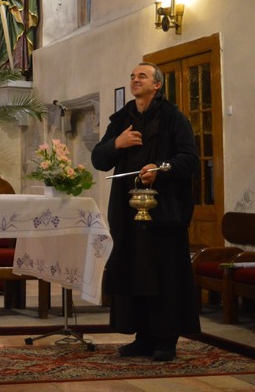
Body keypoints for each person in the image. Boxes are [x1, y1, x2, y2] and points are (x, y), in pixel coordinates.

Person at [91, 62, 200, 362]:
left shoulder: (174, 119)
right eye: (132, 76)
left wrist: (160, 170)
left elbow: (189, 160)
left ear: (157, 85)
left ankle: (166, 340)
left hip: (164, 213)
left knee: (164, 276)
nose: (135, 79)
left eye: (142, 76)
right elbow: (99, 159)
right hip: (127, 212)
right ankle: (142, 337)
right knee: (134, 273)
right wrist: (117, 142)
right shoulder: (122, 118)